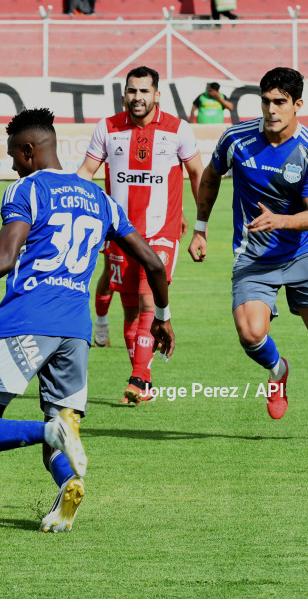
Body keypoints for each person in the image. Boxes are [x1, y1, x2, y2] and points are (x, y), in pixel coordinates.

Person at [0, 108, 174, 532]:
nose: (12, 163)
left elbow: (4, 258)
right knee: (61, 422)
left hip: (27, 321)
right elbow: (155, 263)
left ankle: (50, 432)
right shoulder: (101, 200)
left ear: (29, 151)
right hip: (75, 333)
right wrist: (161, 316)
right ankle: (67, 483)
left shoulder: (25, 190)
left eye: (14, 154)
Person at [187, 67, 308, 443]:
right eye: (266, 101)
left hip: (301, 254)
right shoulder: (237, 139)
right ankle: (278, 371)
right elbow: (211, 177)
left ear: (297, 105)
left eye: (280, 102)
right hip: (253, 257)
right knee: (250, 334)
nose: (271, 110)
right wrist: (199, 227)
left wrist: (280, 220)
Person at [78, 65, 203, 404]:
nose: (137, 97)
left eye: (144, 91)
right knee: (131, 311)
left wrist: (200, 227)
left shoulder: (178, 130)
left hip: (161, 233)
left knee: (150, 299)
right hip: (120, 233)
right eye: (132, 91)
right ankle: (140, 380)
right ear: (124, 95)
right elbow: (87, 172)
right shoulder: (108, 128)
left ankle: (140, 377)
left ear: (157, 94)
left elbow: (196, 173)